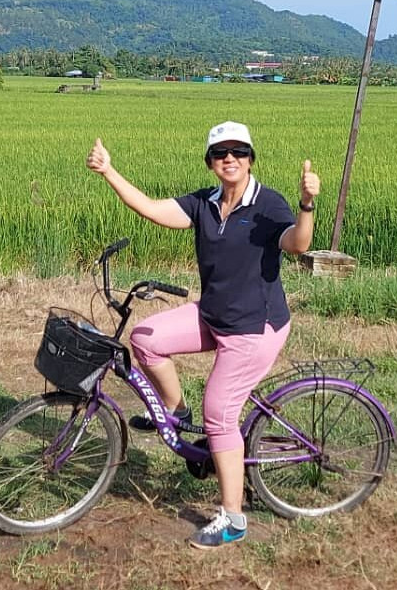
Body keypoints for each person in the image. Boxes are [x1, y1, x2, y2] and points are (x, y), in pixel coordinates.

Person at [86, 121, 319, 549]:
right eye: (220, 153)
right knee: (145, 337)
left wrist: (307, 204)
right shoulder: (205, 203)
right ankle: (176, 412)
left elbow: (297, 244)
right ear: (210, 162)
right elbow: (153, 210)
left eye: (239, 151)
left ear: (250, 158)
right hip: (213, 314)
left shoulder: (269, 204)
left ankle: (233, 519)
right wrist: (109, 172)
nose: (229, 158)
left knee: (220, 416)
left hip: (253, 327)